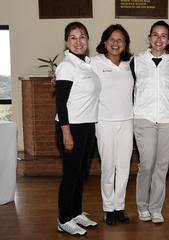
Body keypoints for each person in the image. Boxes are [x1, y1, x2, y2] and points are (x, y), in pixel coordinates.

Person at [130, 20, 169, 224]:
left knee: (162, 166)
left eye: (163, 36)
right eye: (155, 35)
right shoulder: (136, 60)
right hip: (144, 118)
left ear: (168, 40)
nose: (158, 39)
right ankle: (142, 206)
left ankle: (156, 208)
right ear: (149, 38)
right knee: (147, 164)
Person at [55, 21, 101, 236]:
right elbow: (60, 104)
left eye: (82, 36)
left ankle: (75, 213)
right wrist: (66, 133)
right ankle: (64, 219)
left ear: (88, 40)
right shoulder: (67, 66)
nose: (78, 41)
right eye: (73, 37)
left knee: (81, 174)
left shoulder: (87, 64)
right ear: (66, 41)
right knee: (71, 175)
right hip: (71, 127)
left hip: (87, 126)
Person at [91, 24, 134, 225]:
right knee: (108, 167)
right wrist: (56, 77)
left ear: (125, 45)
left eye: (120, 40)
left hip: (127, 122)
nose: (116, 43)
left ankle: (120, 207)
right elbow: (73, 74)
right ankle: (108, 208)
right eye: (112, 39)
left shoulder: (130, 65)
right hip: (105, 122)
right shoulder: (94, 63)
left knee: (124, 168)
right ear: (105, 42)